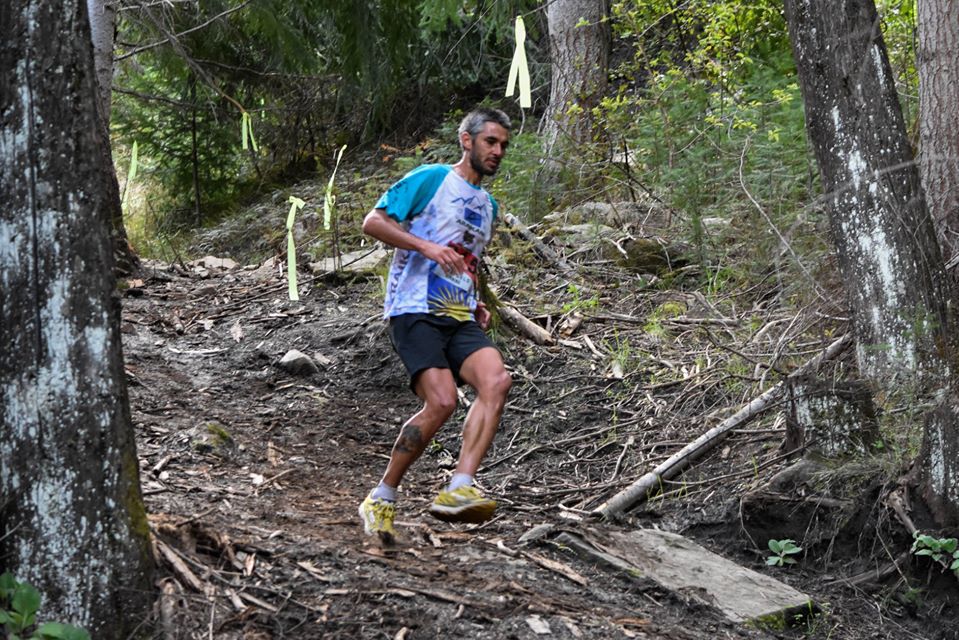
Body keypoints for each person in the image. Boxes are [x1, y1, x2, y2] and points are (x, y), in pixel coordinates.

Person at [358, 107, 514, 543]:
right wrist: (424, 246)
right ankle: (383, 494)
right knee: (442, 402)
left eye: (503, 145)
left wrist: (478, 300)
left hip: (460, 314)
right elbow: (373, 222)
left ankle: (459, 486)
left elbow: (468, 259)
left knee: (497, 381)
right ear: (467, 141)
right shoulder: (431, 179)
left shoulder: (488, 204)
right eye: (490, 142)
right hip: (413, 308)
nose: (497, 151)